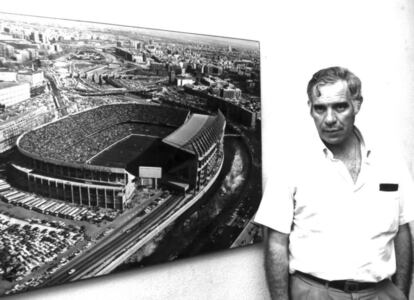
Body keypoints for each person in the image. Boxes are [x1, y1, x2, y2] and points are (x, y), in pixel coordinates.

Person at [255, 66, 414, 300]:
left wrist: (399, 294)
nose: (329, 119)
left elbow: (402, 231)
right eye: (320, 108)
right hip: (316, 293)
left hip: (381, 292)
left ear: (357, 105)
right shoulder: (291, 164)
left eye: (340, 106)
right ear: (310, 109)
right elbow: (276, 243)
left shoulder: (391, 161)